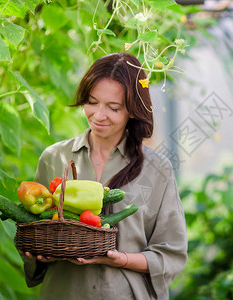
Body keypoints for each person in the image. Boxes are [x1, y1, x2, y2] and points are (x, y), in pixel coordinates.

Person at [20, 52, 188, 299]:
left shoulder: (158, 169)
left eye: (113, 107)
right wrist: (36, 252)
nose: (99, 115)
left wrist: (119, 260)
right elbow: (35, 228)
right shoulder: (53, 158)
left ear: (132, 110)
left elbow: (171, 254)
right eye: (92, 102)